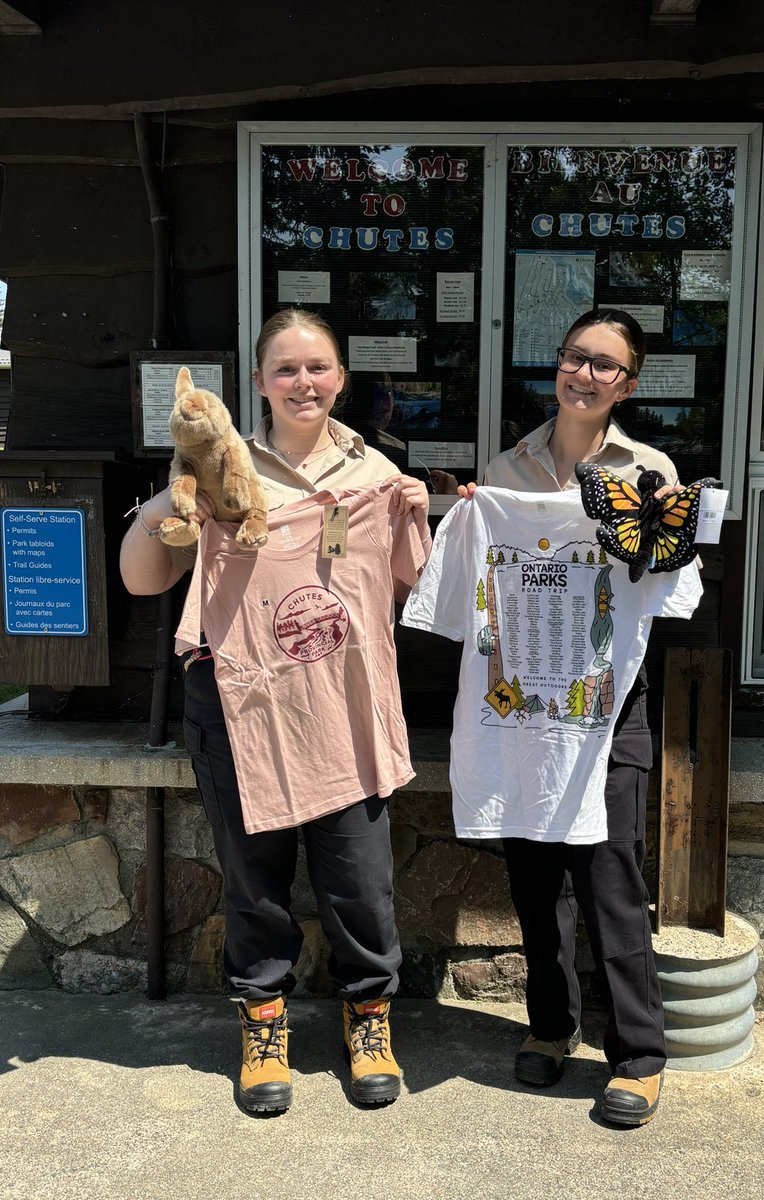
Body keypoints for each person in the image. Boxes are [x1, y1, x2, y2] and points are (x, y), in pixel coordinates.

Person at [120, 308, 430, 1115]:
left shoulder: (374, 477)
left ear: (341, 379)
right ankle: (263, 1029)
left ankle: (370, 1019)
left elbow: (402, 587)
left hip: (344, 702)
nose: (303, 382)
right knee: (254, 883)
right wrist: (170, 505)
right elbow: (141, 579)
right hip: (241, 702)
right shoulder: (222, 471)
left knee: (361, 883)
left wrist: (413, 512)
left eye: (317, 367)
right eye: (285, 368)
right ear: (256, 382)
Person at [408, 308, 696, 1126]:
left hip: (610, 708)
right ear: (557, 366)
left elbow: (668, 584)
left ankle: (639, 1056)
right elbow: (477, 580)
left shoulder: (650, 469)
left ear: (627, 385)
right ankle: (551, 1026)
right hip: (524, 709)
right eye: (576, 358)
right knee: (535, 883)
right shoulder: (508, 468)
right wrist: (473, 511)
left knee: (611, 884)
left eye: (606, 366)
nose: (586, 375)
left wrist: (654, 531)